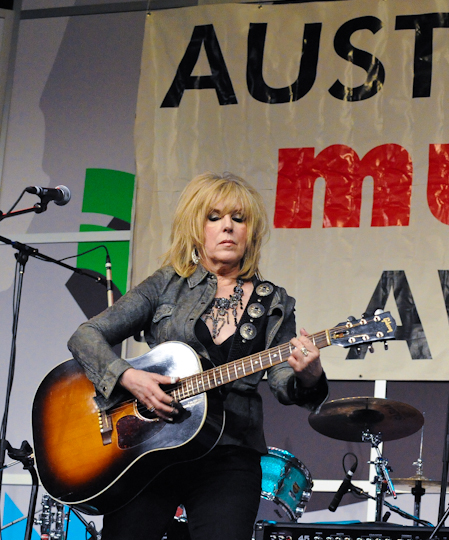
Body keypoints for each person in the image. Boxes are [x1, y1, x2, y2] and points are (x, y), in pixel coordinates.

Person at [67, 172, 328, 540]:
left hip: (230, 455)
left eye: (239, 219)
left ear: (250, 231)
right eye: (215, 217)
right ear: (196, 227)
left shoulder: (274, 301)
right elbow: (85, 336)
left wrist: (309, 374)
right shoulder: (167, 283)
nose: (228, 228)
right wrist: (127, 376)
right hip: (151, 450)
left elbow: (283, 383)